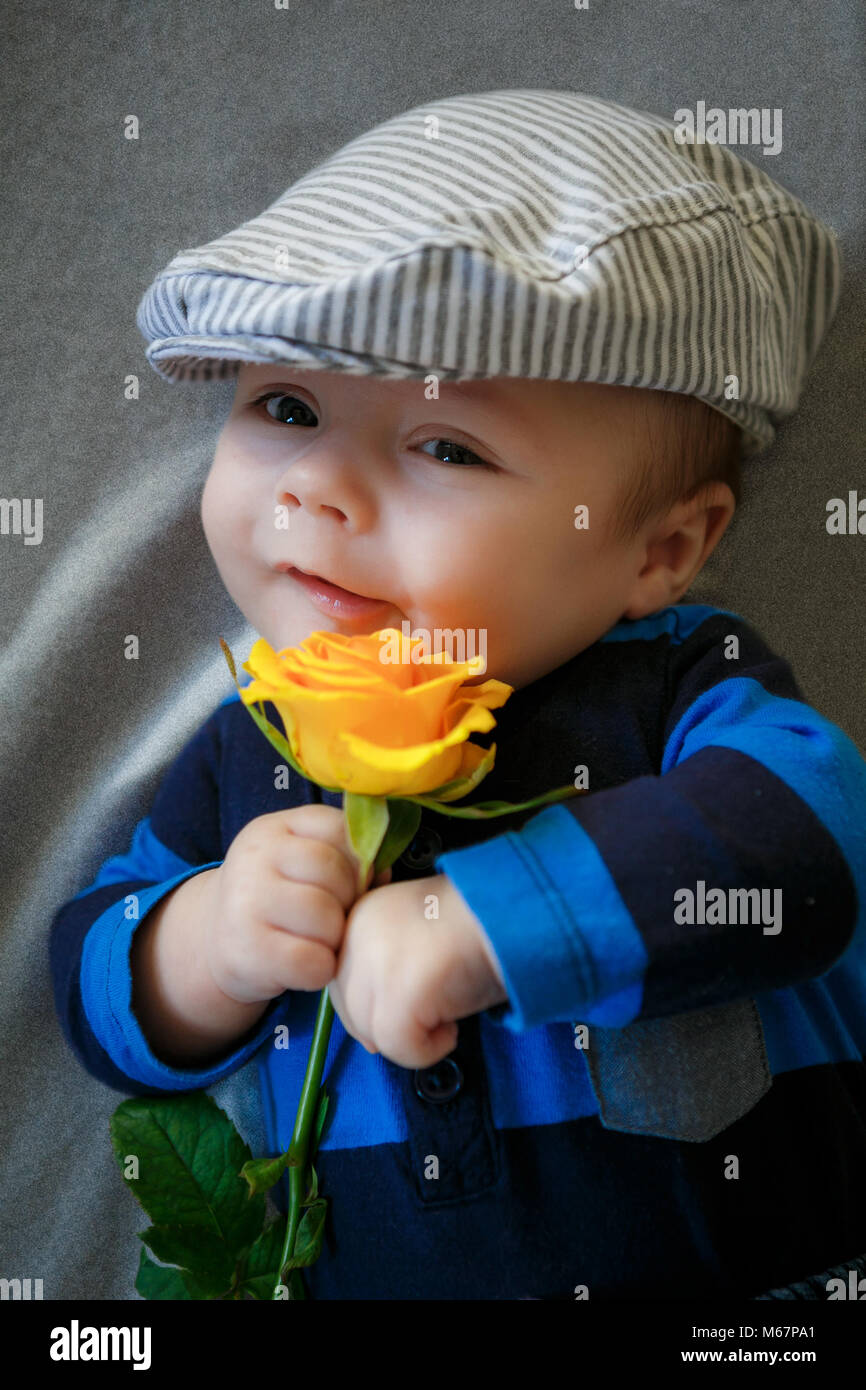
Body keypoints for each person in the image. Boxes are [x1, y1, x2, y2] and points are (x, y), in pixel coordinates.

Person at [50, 89, 866, 1300]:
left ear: (657, 550)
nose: (318, 487)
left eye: (444, 446)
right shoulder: (248, 750)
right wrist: (205, 941)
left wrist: (487, 921)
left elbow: (807, 845)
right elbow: (87, 979)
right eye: (285, 407)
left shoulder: (673, 688)